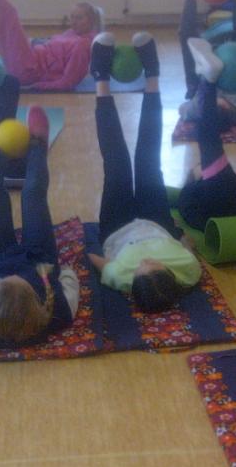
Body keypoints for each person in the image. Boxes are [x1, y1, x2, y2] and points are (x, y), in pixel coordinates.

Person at [86, 33, 202, 312]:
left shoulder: (121, 278)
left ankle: (100, 76)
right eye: (153, 265)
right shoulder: (189, 271)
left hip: (117, 226)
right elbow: (189, 247)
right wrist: (183, 240)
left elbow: (95, 260)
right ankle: (152, 73)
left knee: (117, 164)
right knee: (148, 159)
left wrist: (102, 255)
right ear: (170, 274)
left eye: (140, 268)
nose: (144, 262)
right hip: (157, 220)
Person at [0, 105, 80, 344]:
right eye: (19, 279)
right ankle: (38, 144)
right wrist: (60, 271)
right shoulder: (59, 310)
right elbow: (70, 280)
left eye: (2, 283)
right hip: (40, 258)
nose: (14, 274)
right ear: (36, 297)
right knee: (32, 194)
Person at [175, 36, 236, 231]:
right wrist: (196, 178)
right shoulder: (189, 196)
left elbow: (190, 211)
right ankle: (208, 80)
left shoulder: (190, 197)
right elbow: (190, 210)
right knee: (209, 141)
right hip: (226, 203)